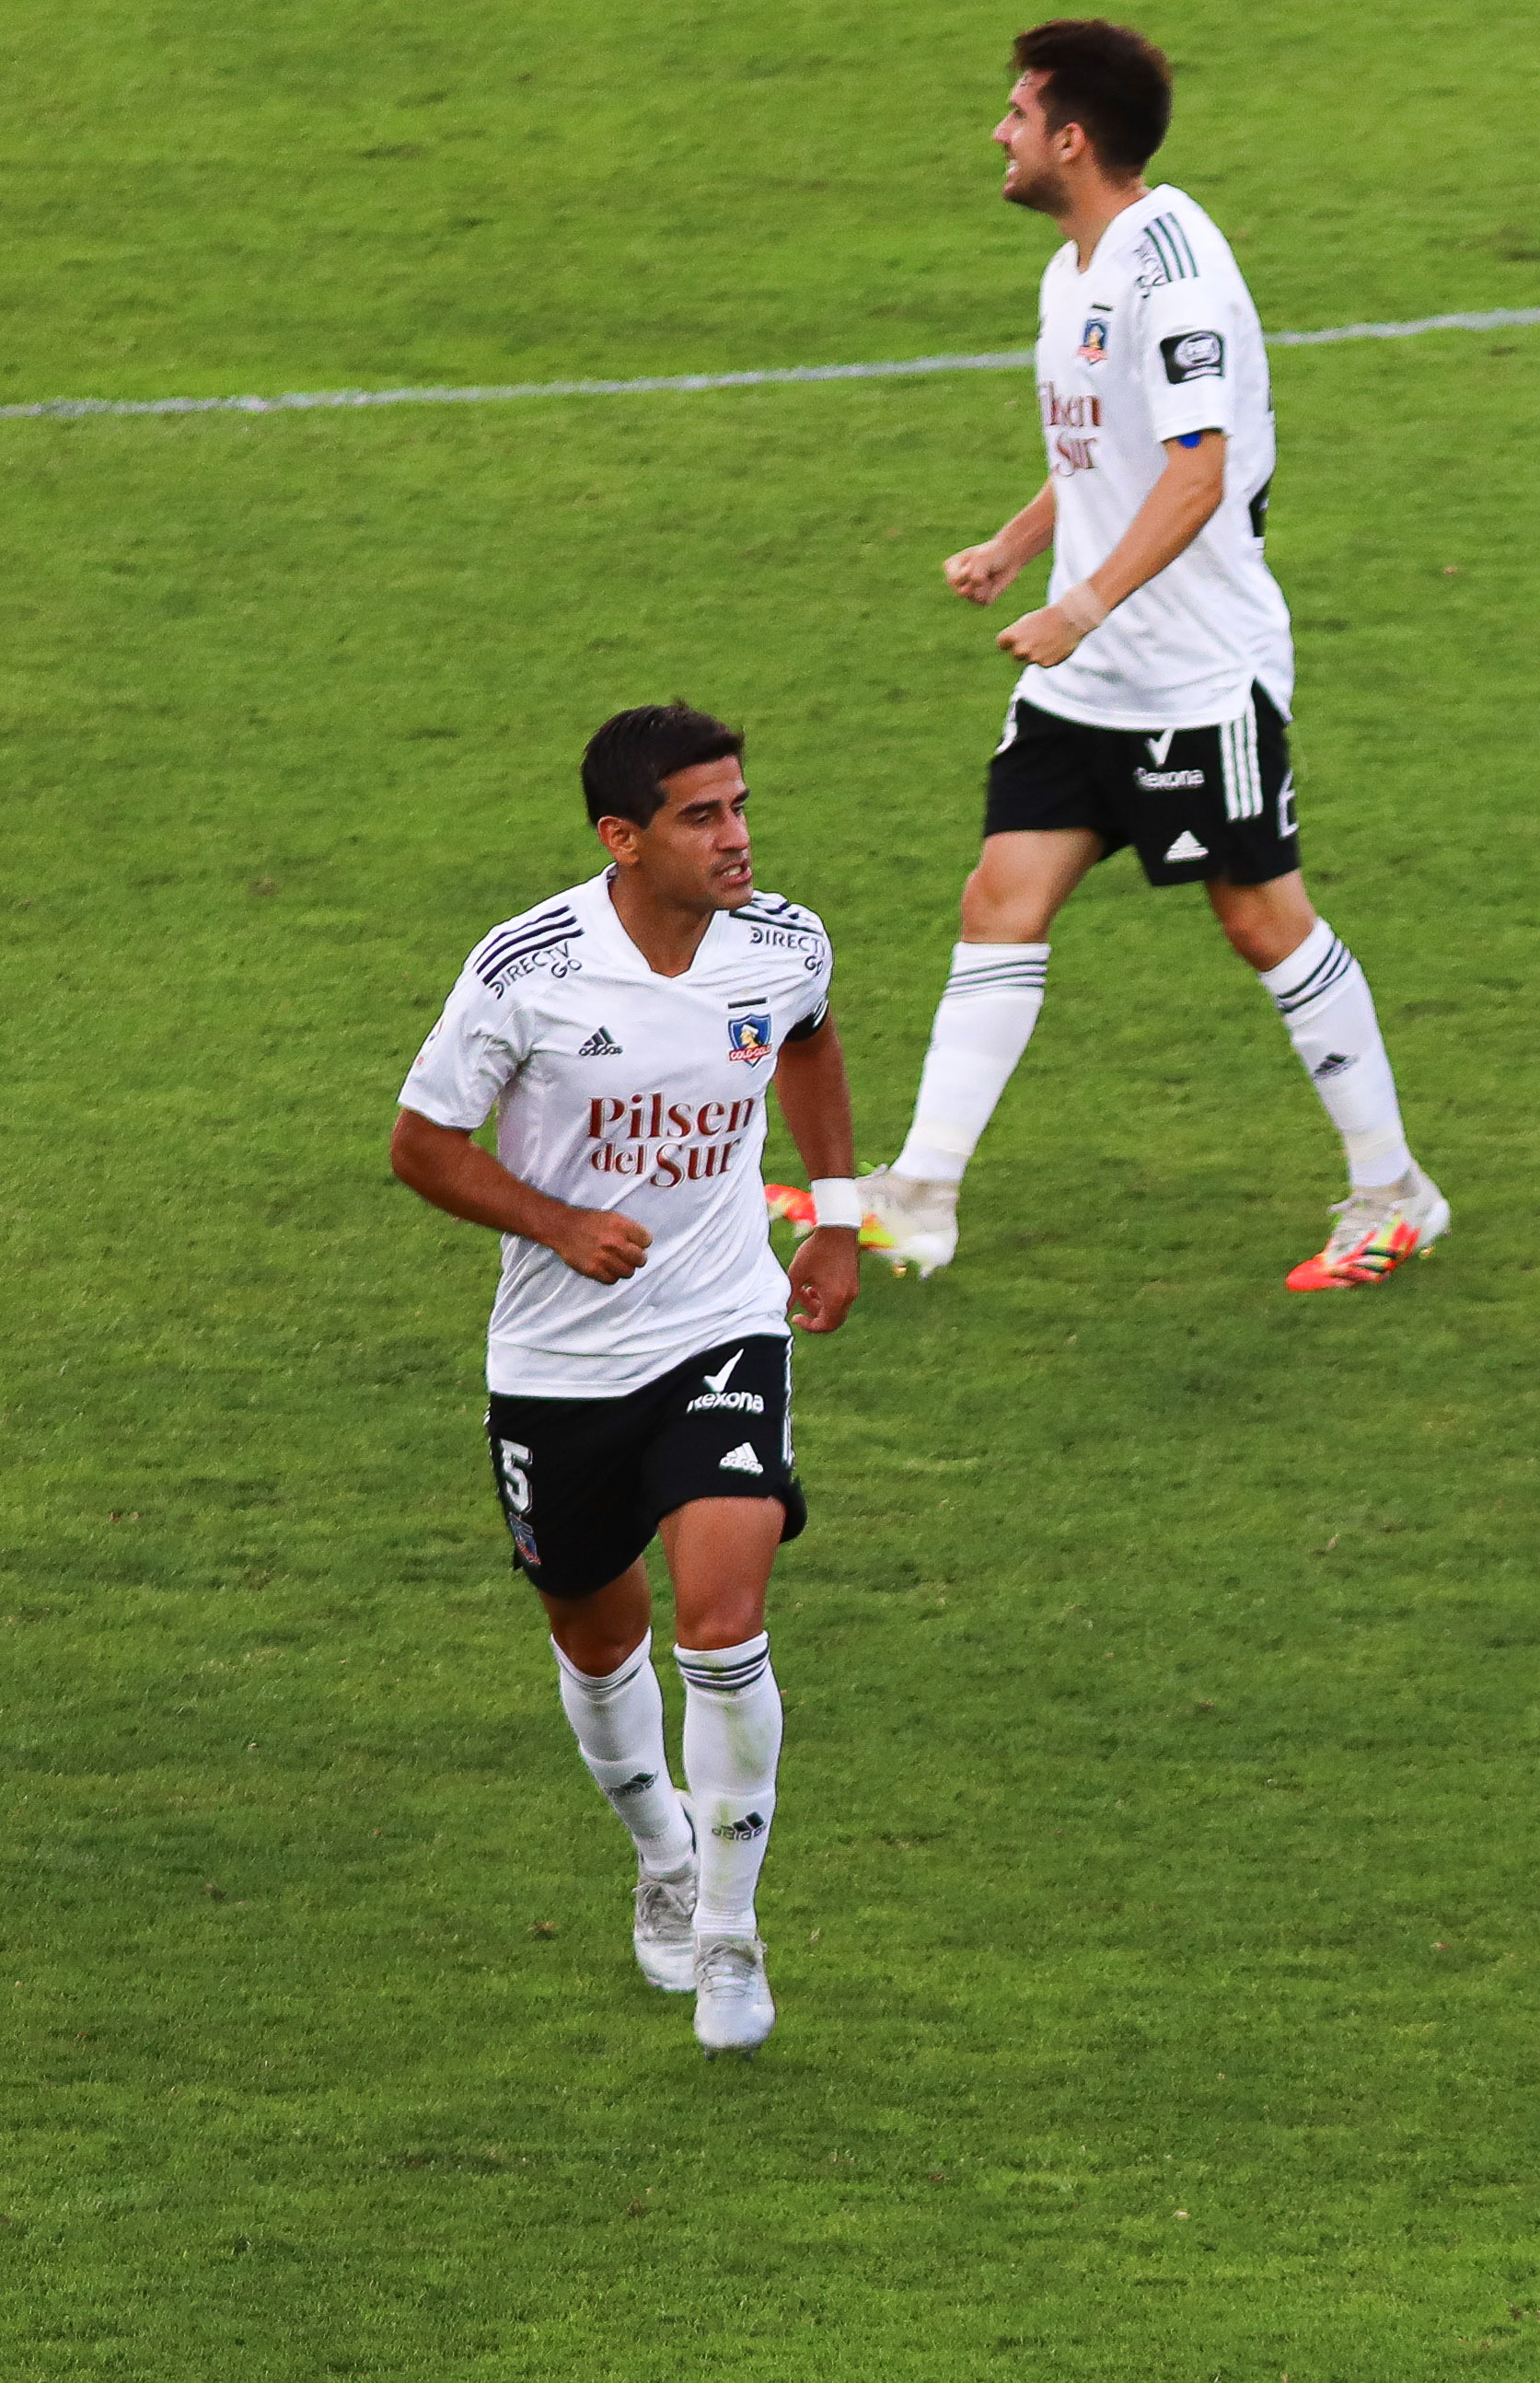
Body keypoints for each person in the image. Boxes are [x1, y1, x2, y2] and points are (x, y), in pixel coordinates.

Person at [856, 17, 1445, 1293]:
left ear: (1072, 140)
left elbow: (1197, 473)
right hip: (1089, 681)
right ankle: (921, 1193)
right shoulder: (1076, 268)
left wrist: (1081, 608)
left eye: (1016, 114)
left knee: (1262, 919)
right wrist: (1021, 546)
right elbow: (1102, 455)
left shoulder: (1169, 270)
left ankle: (1395, 1188)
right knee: (998, 899)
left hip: (1194, 678)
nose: (998, 133)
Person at [388, 704, 863, 2056]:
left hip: (720, 1325)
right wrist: (555, 1222)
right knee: (599, 1640)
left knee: (721, 1618)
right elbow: (421, 1144)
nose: (738, 836)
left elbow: (812, 1039)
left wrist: (831, 1211)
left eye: (741, 805)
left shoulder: (784, 941)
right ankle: (659, 1842)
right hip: (557, 1360)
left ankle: (727, 1929)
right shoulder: (528, 967)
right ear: (623, 837)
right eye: (702, 816)